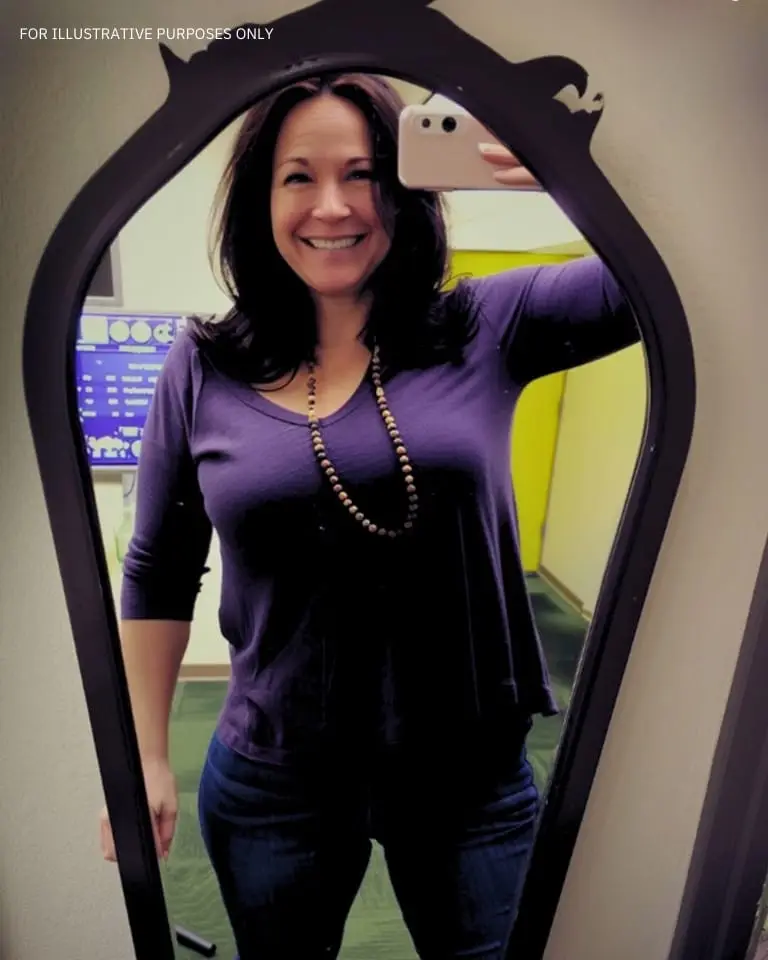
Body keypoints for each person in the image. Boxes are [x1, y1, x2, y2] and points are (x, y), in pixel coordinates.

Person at [99, 73, 640, 959]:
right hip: (276, 775)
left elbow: (654, 283)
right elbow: (157, 569)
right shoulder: (201, 365)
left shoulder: (483, 323)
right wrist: (146, 755)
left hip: (467, 777)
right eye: (299, 177)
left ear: (405, 188)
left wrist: (573, 175)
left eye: (364, 174)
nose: (333, 206)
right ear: (259, 200)